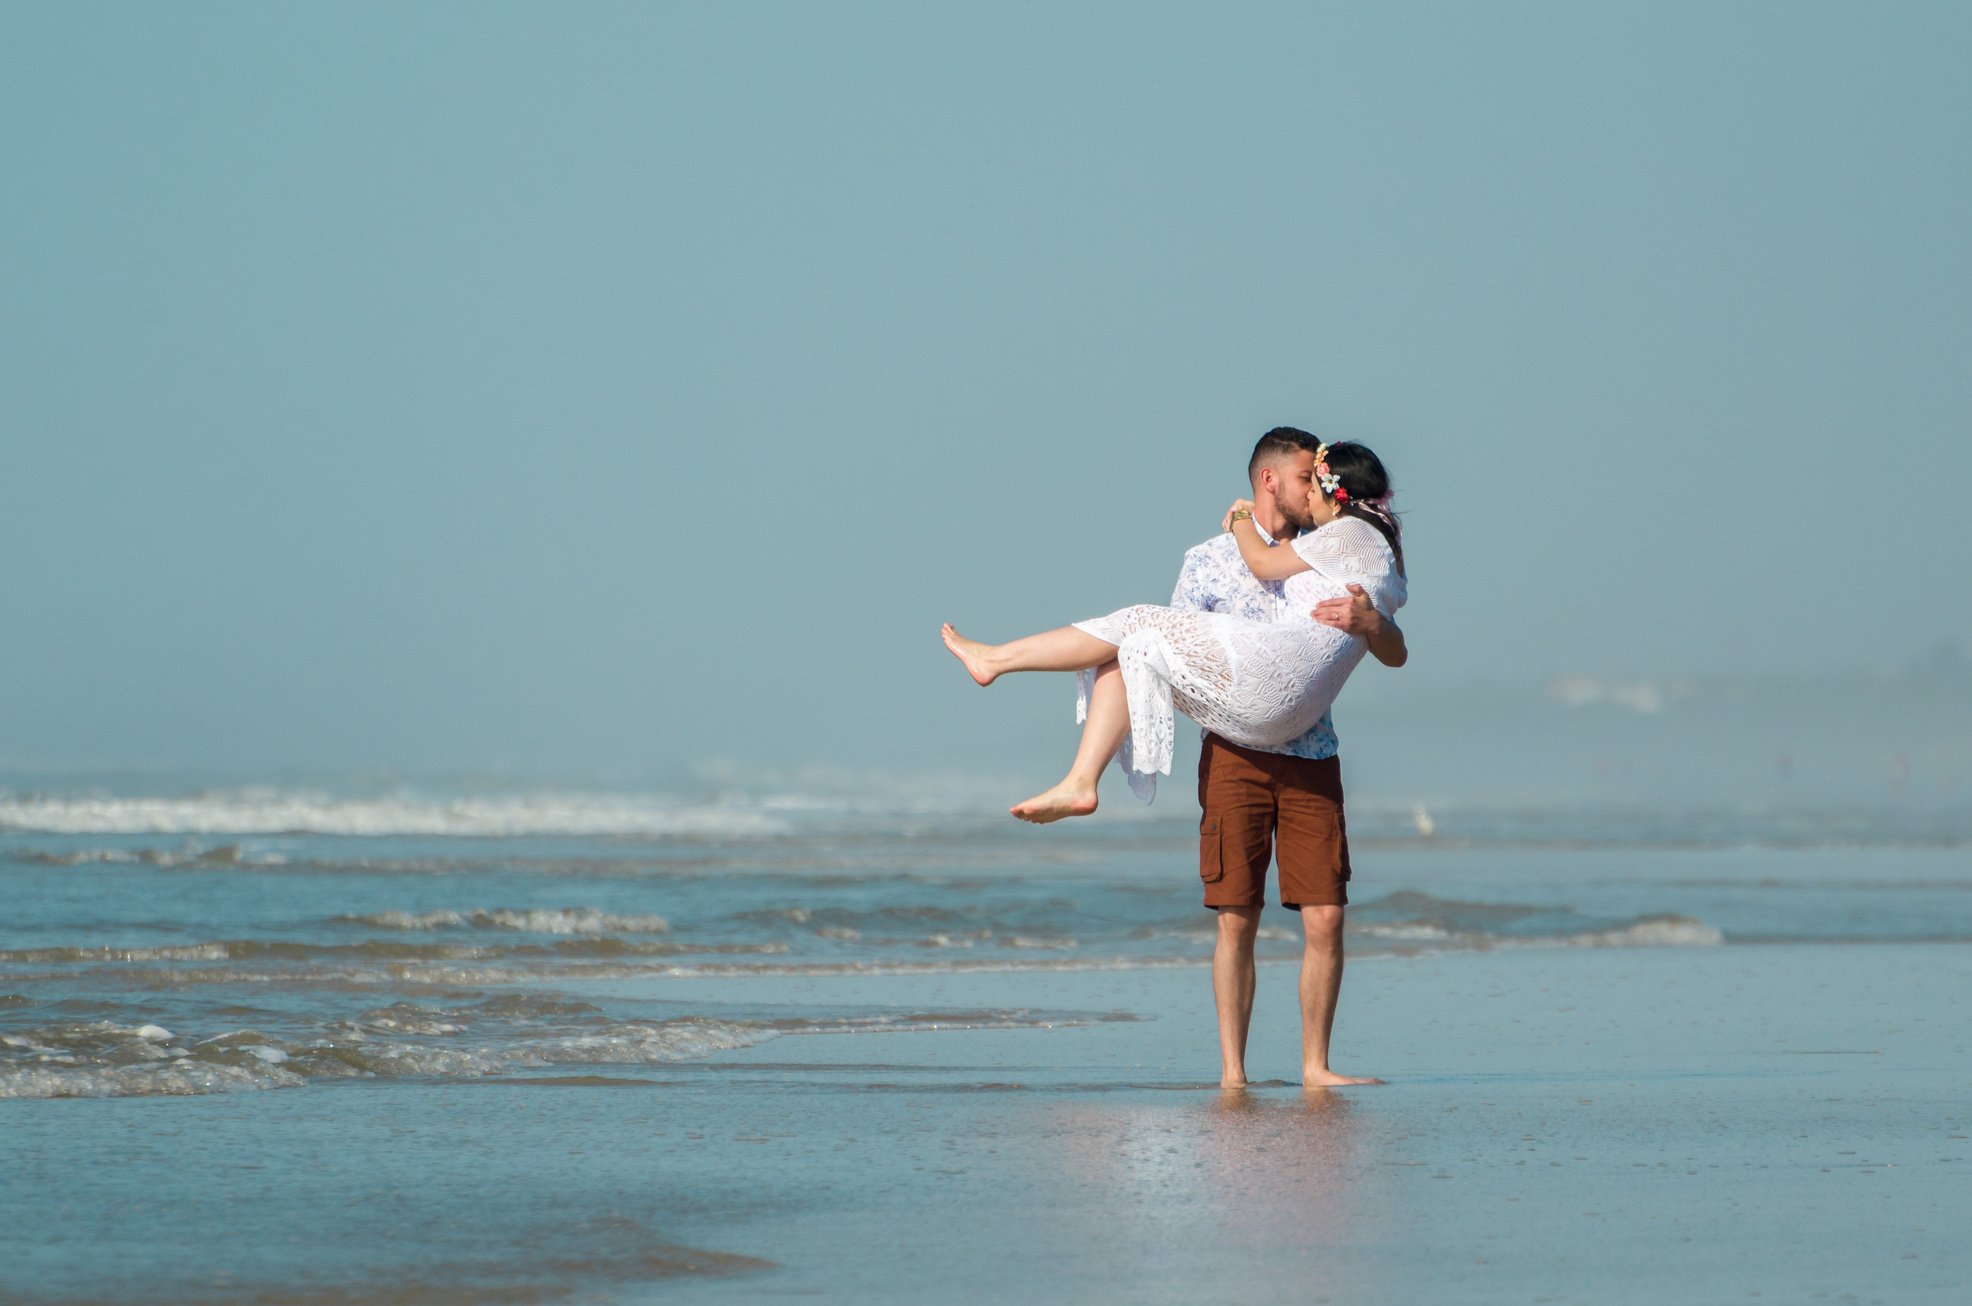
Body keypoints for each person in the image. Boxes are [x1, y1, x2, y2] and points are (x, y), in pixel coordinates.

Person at [940, 434, 1405, 825]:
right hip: (1277, 712)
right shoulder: (1376, 550)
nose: (1308, 497)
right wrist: (1373, 622)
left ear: (1336, 494)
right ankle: (1080, 782)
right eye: (1302, 482)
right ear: (1270, 479)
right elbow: (1395, 651)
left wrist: (1242, 518)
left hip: (1289, 709)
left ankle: (997, 661)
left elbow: (1263, 564)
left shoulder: (1345, 534)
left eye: (1314, 485)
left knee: (1137, 620)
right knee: (1139, 646)